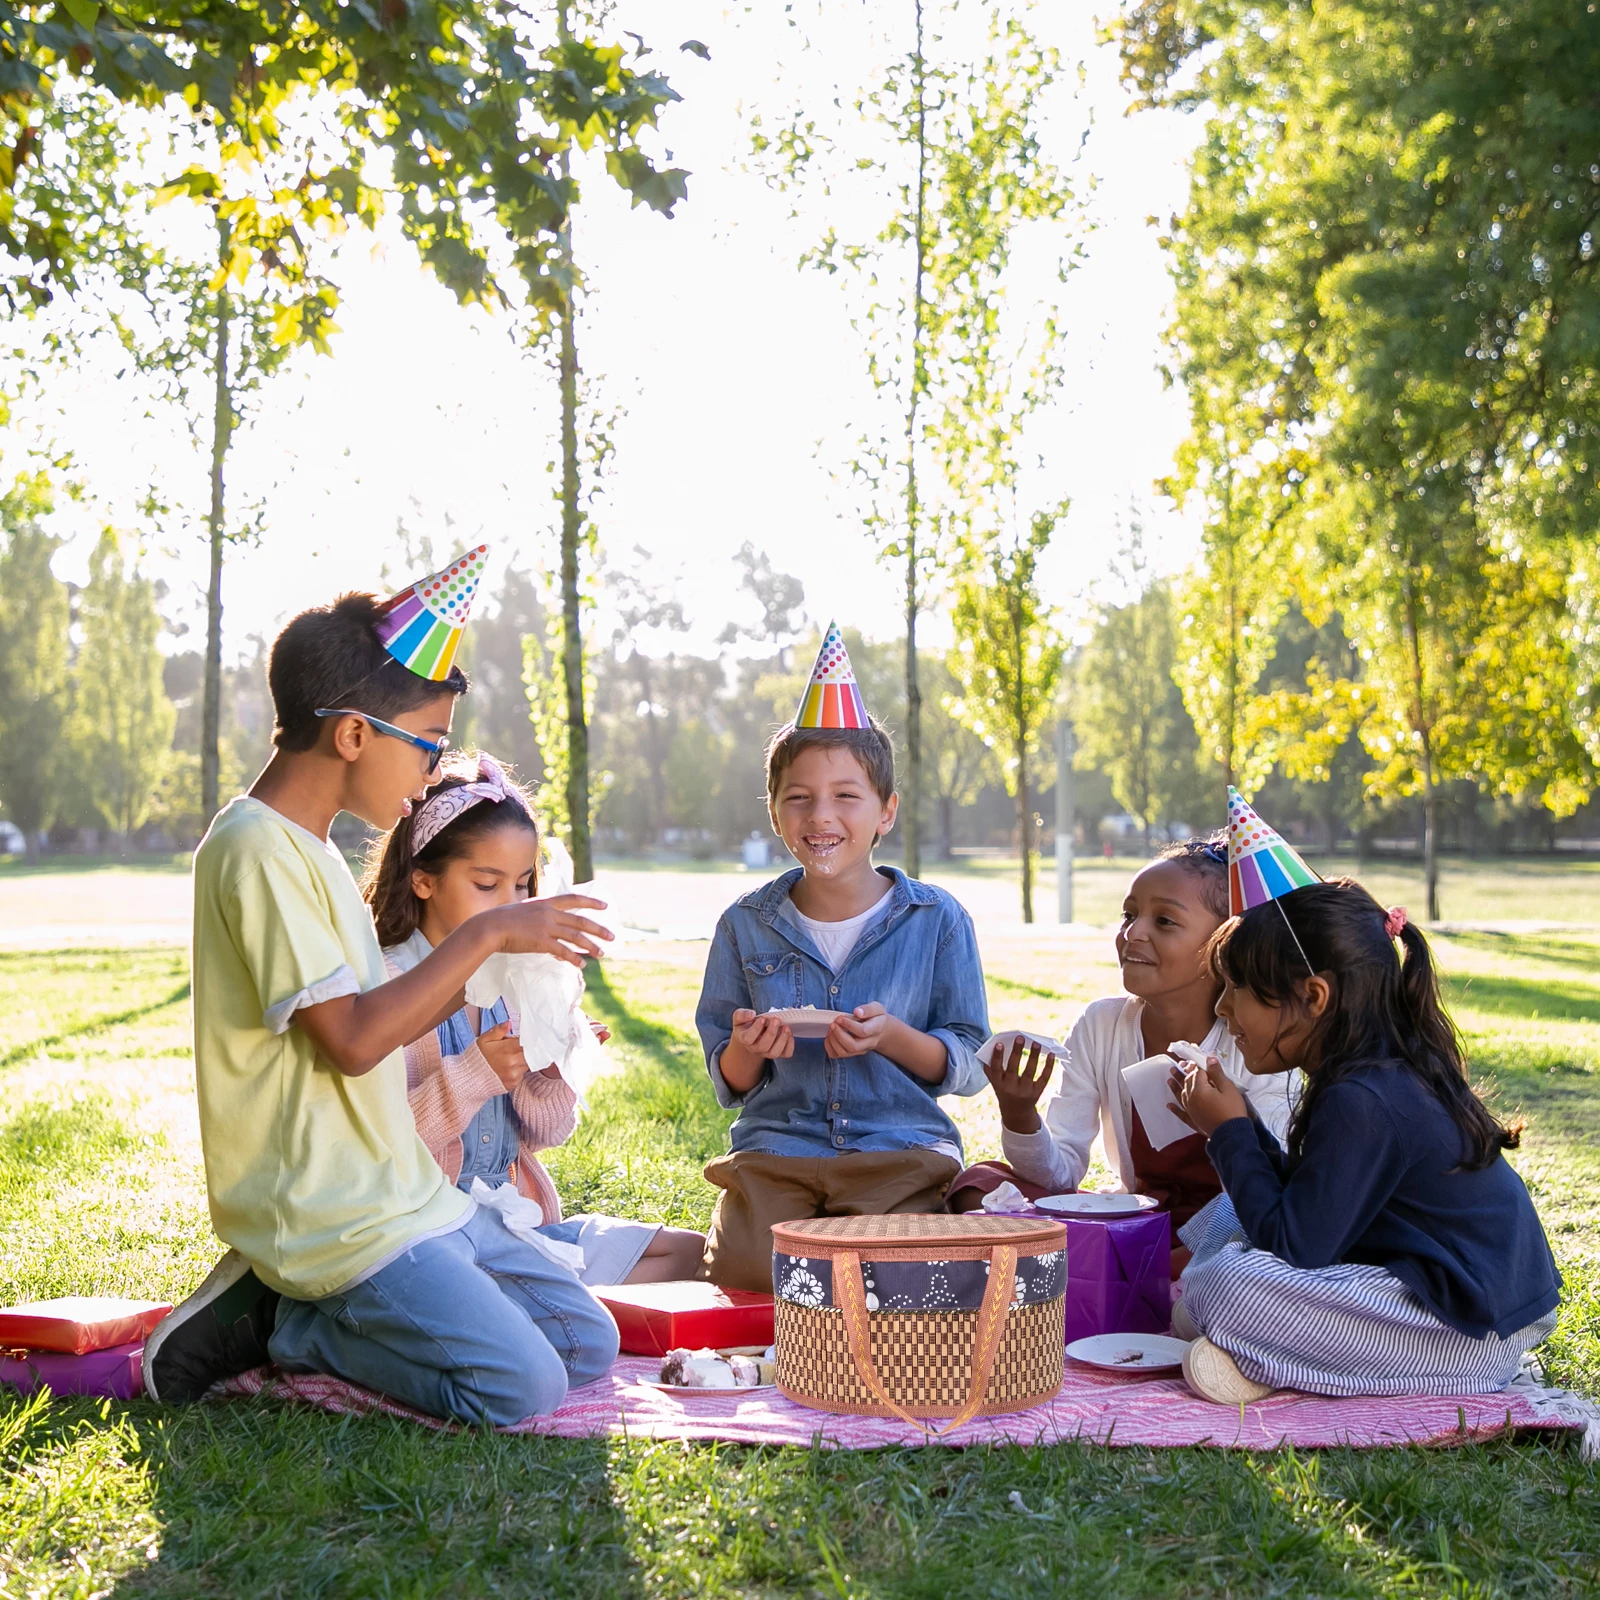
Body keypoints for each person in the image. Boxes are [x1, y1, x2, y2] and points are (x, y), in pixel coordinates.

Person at [143, 551, 624, 1425]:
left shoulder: (316, 849)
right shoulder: (253, 849)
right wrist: (485, 933)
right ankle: (293, 1328)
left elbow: (391, 1016)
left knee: (585, 1344)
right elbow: (355, 1038)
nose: (430, 770)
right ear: (355, 734)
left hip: (405, 1189)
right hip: (331, 1214)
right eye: (427, 744)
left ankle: (325, 1315)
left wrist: (511, 972)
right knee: (525, 1387)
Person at [1169, 791, 1561, 1404]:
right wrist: (1240, 1120)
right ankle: (1268, 1351)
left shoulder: (1365, 1097)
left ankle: (1272, 1360)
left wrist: (1228, 1133)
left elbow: (1297, 1245)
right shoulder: (1369, 1073)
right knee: (1227, 1229)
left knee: (1227, 1284)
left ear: (1314, 997)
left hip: (1467, 1328)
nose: (1221, 1009)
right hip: (1440, 1296)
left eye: (1237, 989)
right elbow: (1313, 1209)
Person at [694, 624, 990, 1292]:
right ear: (774, 813)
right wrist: (750, 1048)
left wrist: (893, 1039)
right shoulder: (745, 926)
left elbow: (968, 1062)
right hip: (780, 1150)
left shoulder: (937, 920)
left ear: (886, 811)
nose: (820, 815)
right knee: (749, 1278)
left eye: (846, 796)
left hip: (899, 1150)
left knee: (895, 1284)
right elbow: (728, 1078)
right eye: (798, 797)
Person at [364, 751, 704, 1283]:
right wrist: (475, 1075)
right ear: (423, 879)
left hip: (517, 1224)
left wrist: (550, 1074)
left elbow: (545, 1134)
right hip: (431, 1237)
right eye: (486, 884)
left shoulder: (516, 981)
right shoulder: (389, 985)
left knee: (695, 1256)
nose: (513, 905)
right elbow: (380, 1154)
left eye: (522, 884)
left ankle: (538, 1295)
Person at [947, 837, 1295, 1259]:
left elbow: (1274, 1189)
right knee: (977, 1184)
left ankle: (1124, 1269)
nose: (1133, 932)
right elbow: (1061, 1175)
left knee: (1244, 1251)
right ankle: (1123, 1266)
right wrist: (1020, 1116)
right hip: (1135, 1221)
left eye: (1164, 921)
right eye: (1129, 914)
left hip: (1227, 1227)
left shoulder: (1255, 1043)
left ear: (1226, 943)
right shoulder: (1102, 1025)